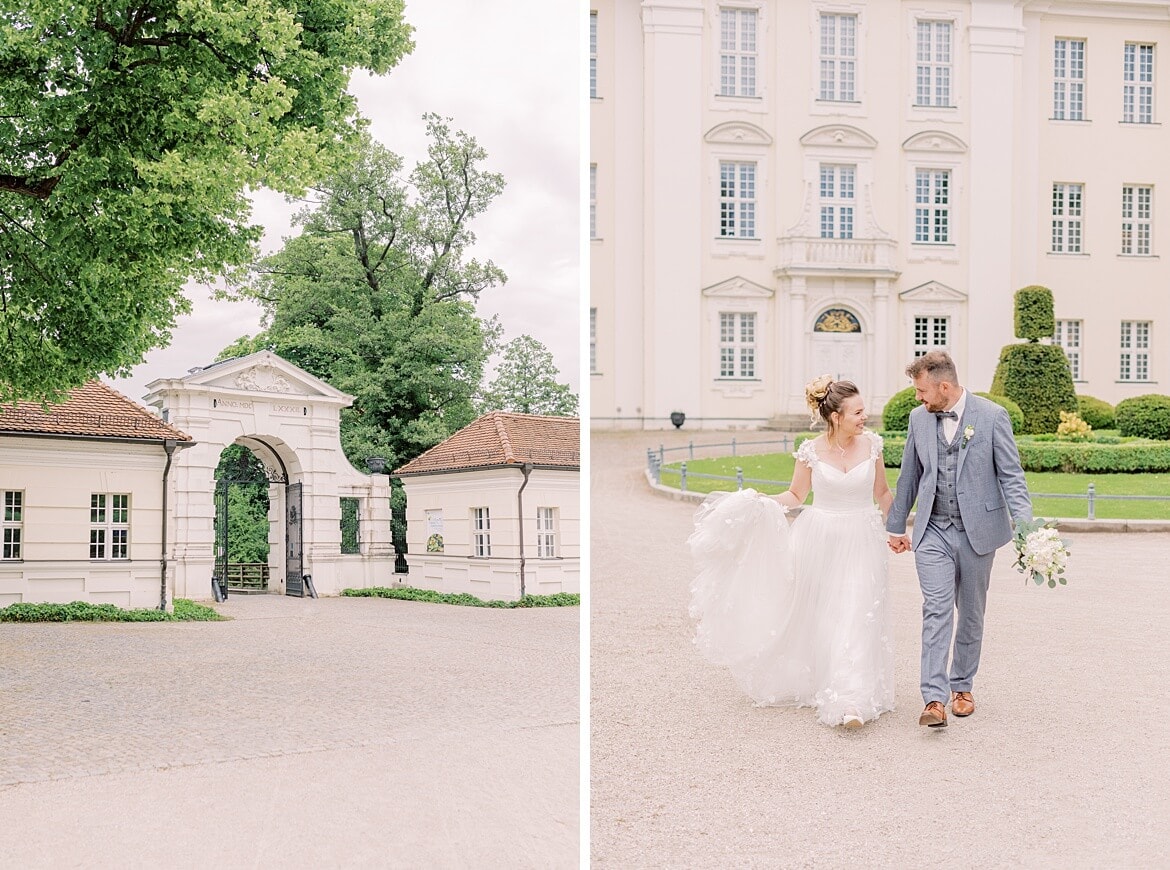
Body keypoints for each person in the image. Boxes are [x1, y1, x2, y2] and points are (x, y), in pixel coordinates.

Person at [688, 376, 895, 729]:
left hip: (862, 537)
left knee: (857, 611)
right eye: (858, 412)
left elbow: (883, 494)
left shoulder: (872, 445)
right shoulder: (811, 450)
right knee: (827, 616)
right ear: (836, 416)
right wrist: (761, 502)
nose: (865, 418)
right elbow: (796, 496)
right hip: (820, 538)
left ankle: (851, 700)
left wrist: (899, 530)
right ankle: (829, 684)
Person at [886, 351, 1032, 728]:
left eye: (921, 390)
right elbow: (909, 476)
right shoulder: (918, 419)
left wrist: (1027, 528)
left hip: (977, 531)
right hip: (933, 528)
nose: (918, 398)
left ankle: (962, 687)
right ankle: (933, 699)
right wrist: (896, 525)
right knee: (936, 608)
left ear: (944, 386)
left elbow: (1012, 477)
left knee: (970, 612)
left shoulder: (992, 416)